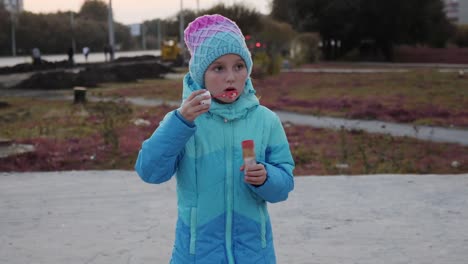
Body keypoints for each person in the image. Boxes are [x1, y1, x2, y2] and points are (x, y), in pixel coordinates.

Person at [135, 14, 295, 263]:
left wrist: (266, 177)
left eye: (238, 66)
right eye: (218, 68)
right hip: (196, 254)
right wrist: (180, 123)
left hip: (254, 253)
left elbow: (283, 186)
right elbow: (150, 172)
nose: (230, 77)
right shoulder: (184, 121)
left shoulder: (266, 121)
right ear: (201, 74)